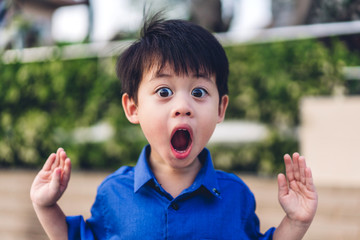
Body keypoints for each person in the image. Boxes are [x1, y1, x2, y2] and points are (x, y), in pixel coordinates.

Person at [30, 14, 318, 240]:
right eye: (164, 92)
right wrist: (45, 206)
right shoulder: (113, 193)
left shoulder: (236, 195)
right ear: (133, 108)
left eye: (199, 92)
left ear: (220, 108)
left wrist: (296, 221)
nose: (183, 106)